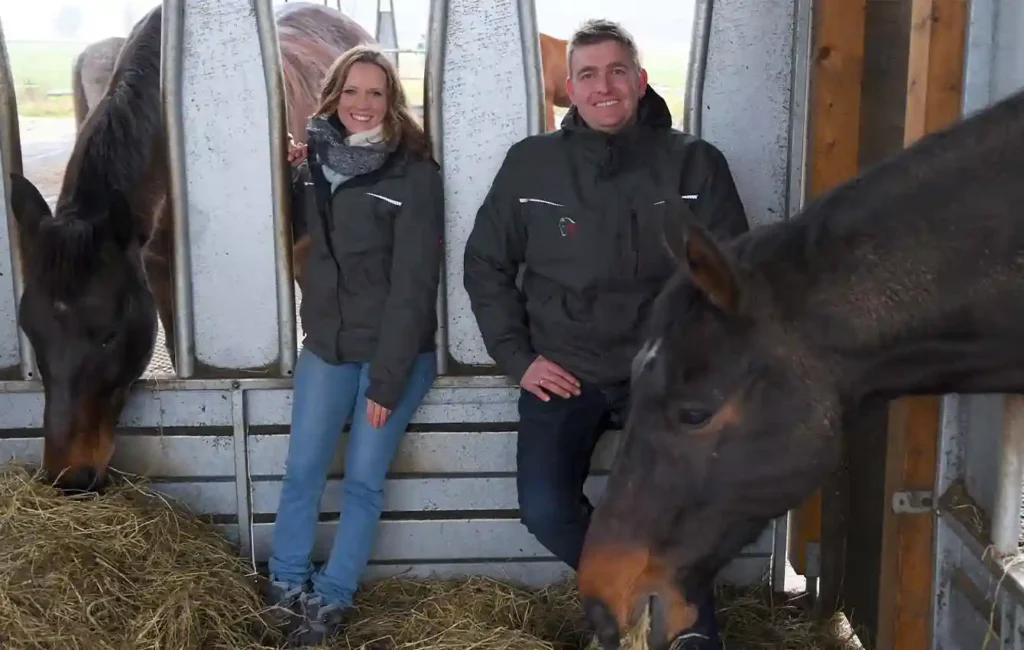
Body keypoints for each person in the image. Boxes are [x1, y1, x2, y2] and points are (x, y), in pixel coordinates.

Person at [462, 18, 749, 648]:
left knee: (687, 502)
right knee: (544, 509)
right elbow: (485, 263)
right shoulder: (532, 165)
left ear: (641, 80)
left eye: (617, 70)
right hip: (569, 367)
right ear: (570, 89)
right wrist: (519, 358)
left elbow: (731, 277)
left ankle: (691, 630)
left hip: (663, 373)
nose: (604, 86)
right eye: (588, 74)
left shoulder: (695, 164)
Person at [263, 44, 444, 647]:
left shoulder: (415, 172)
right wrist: (291, 176)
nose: (362, 104)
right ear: (334, 96)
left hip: (393, 354)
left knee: (364, 479)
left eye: (376, 92)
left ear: (392, 101)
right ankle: (287, 586)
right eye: (351, 91)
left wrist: (388, 380)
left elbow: (416, 287)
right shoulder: (314, 159)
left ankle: (332, 597)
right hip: (326, 347)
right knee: (303, 471)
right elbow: (296, 235)